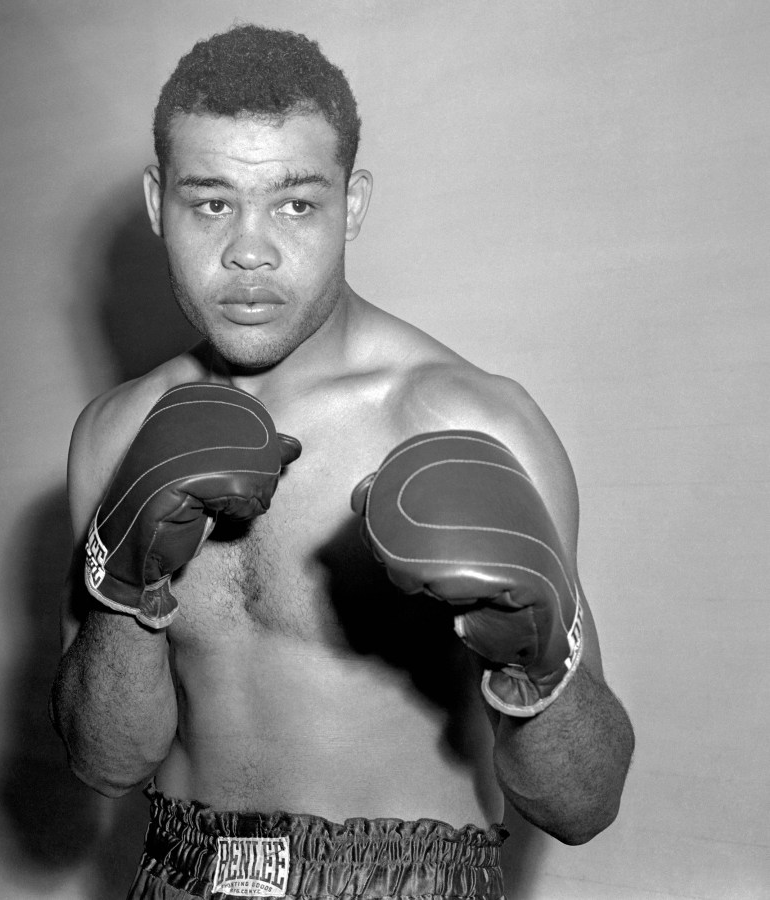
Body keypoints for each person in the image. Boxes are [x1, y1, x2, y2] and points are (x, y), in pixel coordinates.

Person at [50, 24, 634, 900]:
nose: (250, 250)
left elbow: (583, 804)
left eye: (295, 203)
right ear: (155, 200)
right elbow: (105, 760)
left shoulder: (470, 421)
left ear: (351, 205)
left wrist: (537, 669)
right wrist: (124, 582)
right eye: (211, 202)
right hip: (176, 874)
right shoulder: (112, 433)